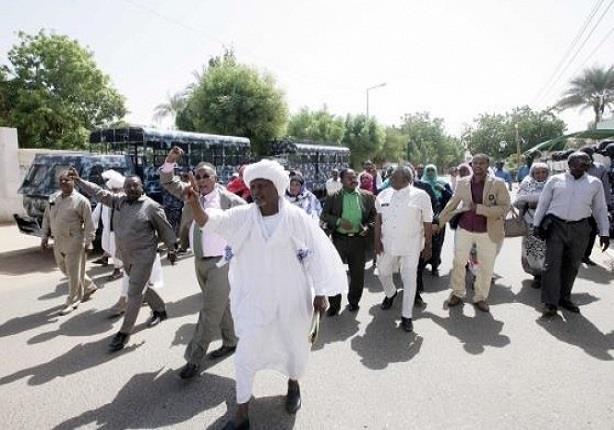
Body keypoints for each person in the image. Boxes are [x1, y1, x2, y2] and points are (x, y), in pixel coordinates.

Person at [186, 159, 347, 429]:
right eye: (254, 186)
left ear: (278, 187)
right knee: (245, 352)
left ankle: (293, 385)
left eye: (263, 186)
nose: (257, 191)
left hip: (292, 298)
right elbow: (208, 222)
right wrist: (193, 203)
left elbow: (315, 256)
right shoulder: (244, 216)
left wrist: (320, 292)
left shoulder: (297, 218)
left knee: (294, 346)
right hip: (254, 297)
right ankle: (241, 415)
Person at [69, 168, 177, 352]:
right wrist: (79, 181)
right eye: (128, 186)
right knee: (141, 286)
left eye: (135, 185)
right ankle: (160, 310)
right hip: (126, 255)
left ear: (141, 187)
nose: (132, 188)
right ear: (124, 188)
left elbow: (165, 229)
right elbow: (99, 193)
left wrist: (172, 248)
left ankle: (124, 333)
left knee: (133, 292)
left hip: (144, 255)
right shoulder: (120, 201)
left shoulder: (151, 206)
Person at [160, 146, 245, 379]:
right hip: (199, 262)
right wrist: (170, 160)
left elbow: (248, 223)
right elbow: (167, 181)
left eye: (206, 175)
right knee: (221, 306)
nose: (201, 180)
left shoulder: (230, 200)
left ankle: (194, 358)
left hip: (222, 264)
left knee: (209, 311)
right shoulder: (190, 193)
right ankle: (231, 341)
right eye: (198, 176)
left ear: (216, 178)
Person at [533, 152, 610, 317]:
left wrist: (604, 232)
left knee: (572, 265)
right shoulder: (555, 180)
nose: (584, 165)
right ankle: (550, 303)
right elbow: (543, 204)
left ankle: (564, 298)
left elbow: (600, 209)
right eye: (580, 162)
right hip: (556, 226)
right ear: (570, 164)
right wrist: (536, 224)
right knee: (552, 264)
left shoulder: (594, 183)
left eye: (587, 162)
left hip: (581, 227)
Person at [437, 154, 511, 312]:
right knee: (458, 262)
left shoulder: (498, 184)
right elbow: (452, 203)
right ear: (471, 165)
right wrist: (439, 222)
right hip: (464, 228)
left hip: (487, 231)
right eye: (475, 163)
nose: (478, 166)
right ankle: (457, 292)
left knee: (486, 266)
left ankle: (480, 297)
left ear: (487, 165)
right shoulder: (463, 182)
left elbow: (504, 208)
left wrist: (479, 209)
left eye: (482, 163)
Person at [375, 166, 433, 332]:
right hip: (388, 243)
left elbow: (428, 222)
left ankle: (407, 316)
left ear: (406, 179)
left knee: (409, 278)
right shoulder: (383, 194)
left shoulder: (421, 196)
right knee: (383, 271)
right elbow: (378, 220)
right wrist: (376, 241)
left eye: (394, 177)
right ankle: (391, 292)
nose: (390, 178)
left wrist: (428, 245)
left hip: (411, 244)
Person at [41, 171, 97, 316]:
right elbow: (47, 217)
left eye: (67, 180)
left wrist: (89, 241)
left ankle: (72, 301)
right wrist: (44, 236)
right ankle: (88, 286)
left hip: (74, 240)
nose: (63, 182)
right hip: (58, 240)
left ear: (74, 181)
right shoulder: (53, 198)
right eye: (61, 180)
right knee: (63, 268)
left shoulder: (81, 201)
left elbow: (89, 223)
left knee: (72, 274)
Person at [321, 168, 376, 315]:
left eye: (355, 177)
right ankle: (334, 305)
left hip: (358, 240)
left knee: (357, 275)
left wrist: (367, 227)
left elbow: (373, 217)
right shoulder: (333, 197)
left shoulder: (368, 196)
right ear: (342, 180)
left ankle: (354, 302)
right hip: (339, 240)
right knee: (334, 273)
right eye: (349, 178)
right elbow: (324, 215)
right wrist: (338, 221)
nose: (354, 180)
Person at [513, 163, 550, 288]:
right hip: (530, 223)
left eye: (543, 172)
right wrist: (521, 214)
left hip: (550, 223)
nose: (540, 175)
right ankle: (537, 276)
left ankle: (549, 275)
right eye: (537, 172)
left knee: (549, 250)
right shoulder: (527, 183)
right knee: (533, 252)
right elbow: (519, 201)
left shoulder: (554, 183)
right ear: (532, 174)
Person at [579, 146, 612, 266]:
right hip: (579, 206)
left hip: (595, 207)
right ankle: (576, 254)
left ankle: (586, 255)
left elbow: (605, 187)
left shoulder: (600, 168)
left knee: (592, 231)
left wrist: (607, 204)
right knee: (578, 231)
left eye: (588, 154)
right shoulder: (577, 168)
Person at [91, 169, 125, 281]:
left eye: (116, 189)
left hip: (119, 231)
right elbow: (95, 214)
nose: (114, 191)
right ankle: (107, 259)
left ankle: (118, 269)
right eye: (112, 189)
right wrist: (90, 228)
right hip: (108, 230)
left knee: (116, 250)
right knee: (106, 246)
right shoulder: (105, 199)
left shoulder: (124, 200)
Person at [421, 164, 453, 276]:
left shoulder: (443, 183)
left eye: (432, 170)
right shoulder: (421, 184)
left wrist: (443, 190)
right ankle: (422, 264)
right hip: (423, 218)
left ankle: (435, 265)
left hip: (439, 217)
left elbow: (452, 199)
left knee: (437, 242)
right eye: (428, 170)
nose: (430, 172)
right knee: (423, 242)